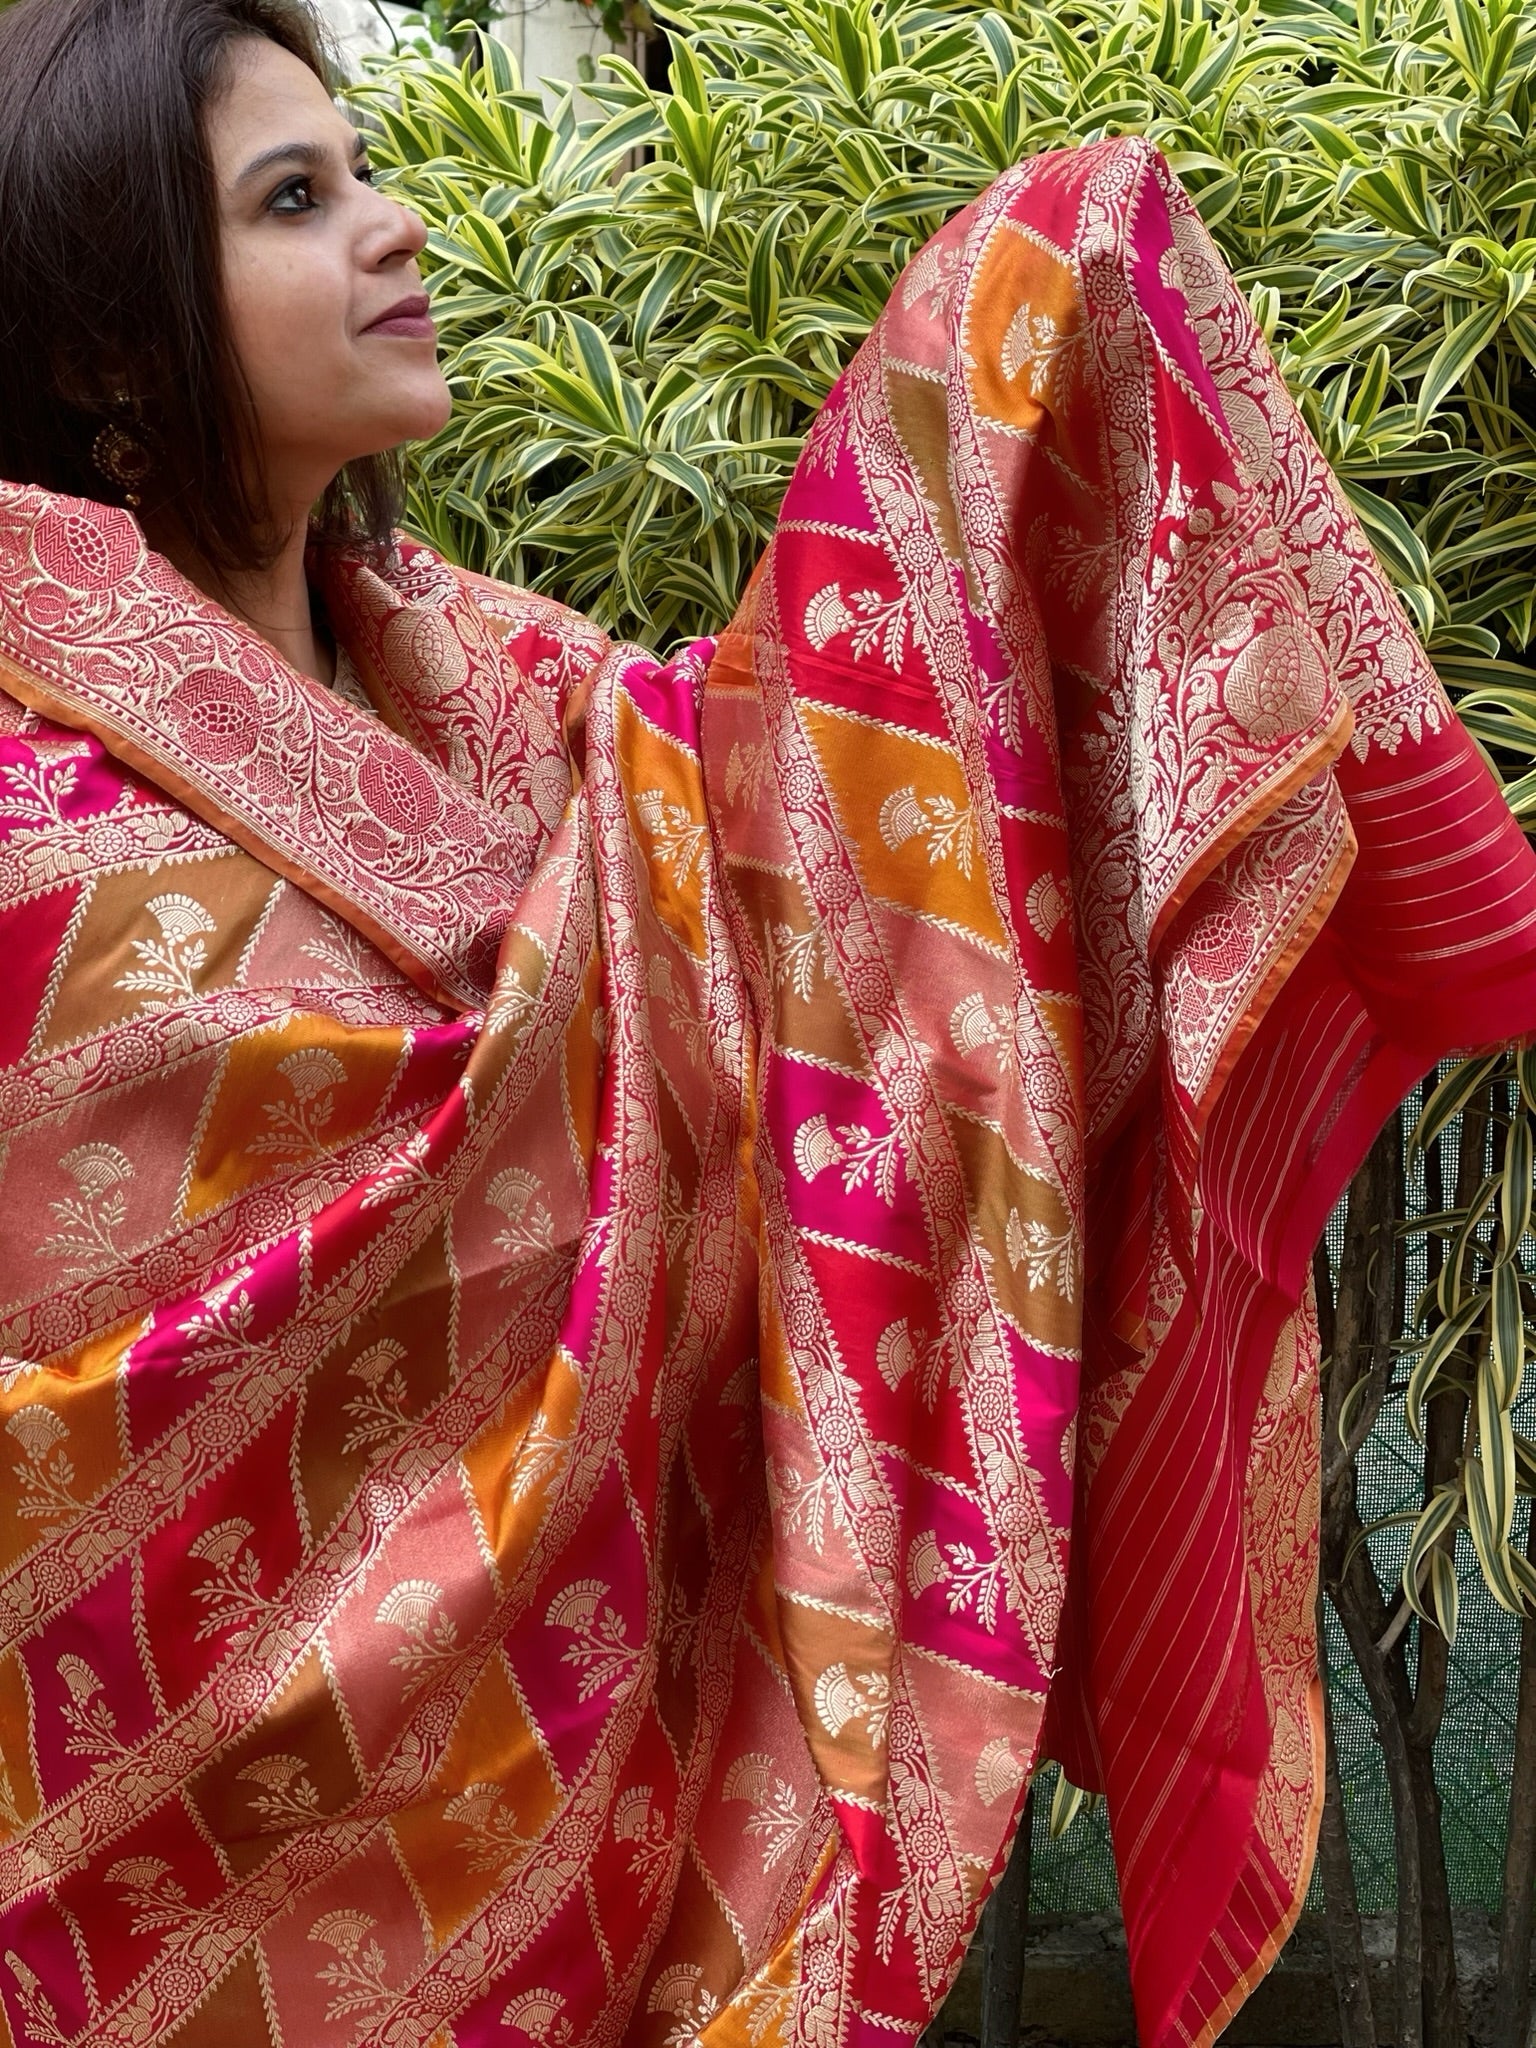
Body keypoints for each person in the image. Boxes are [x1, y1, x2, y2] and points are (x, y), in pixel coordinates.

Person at [0, 3, 1532, 2045]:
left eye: (363, 166)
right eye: (297, 200)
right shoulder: (42, 847)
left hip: (616, 1775)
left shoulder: (499, 683)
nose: (392, 227)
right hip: (178, 1873)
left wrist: (1027, 336)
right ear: (113, 339)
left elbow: (804, 878)